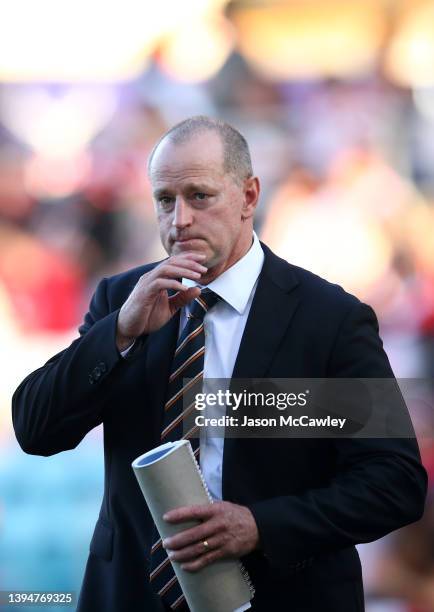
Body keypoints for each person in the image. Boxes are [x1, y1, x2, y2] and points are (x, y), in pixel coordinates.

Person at [12, 116, 427, 612]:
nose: (179, 219)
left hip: (282, 594)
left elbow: (392, 482)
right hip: (132, 593)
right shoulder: (124, 300)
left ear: (249, 196)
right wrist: (119, 331)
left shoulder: (327, 319)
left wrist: (259, 525)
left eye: (199, 196)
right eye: (165, 200)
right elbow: (36, 429)